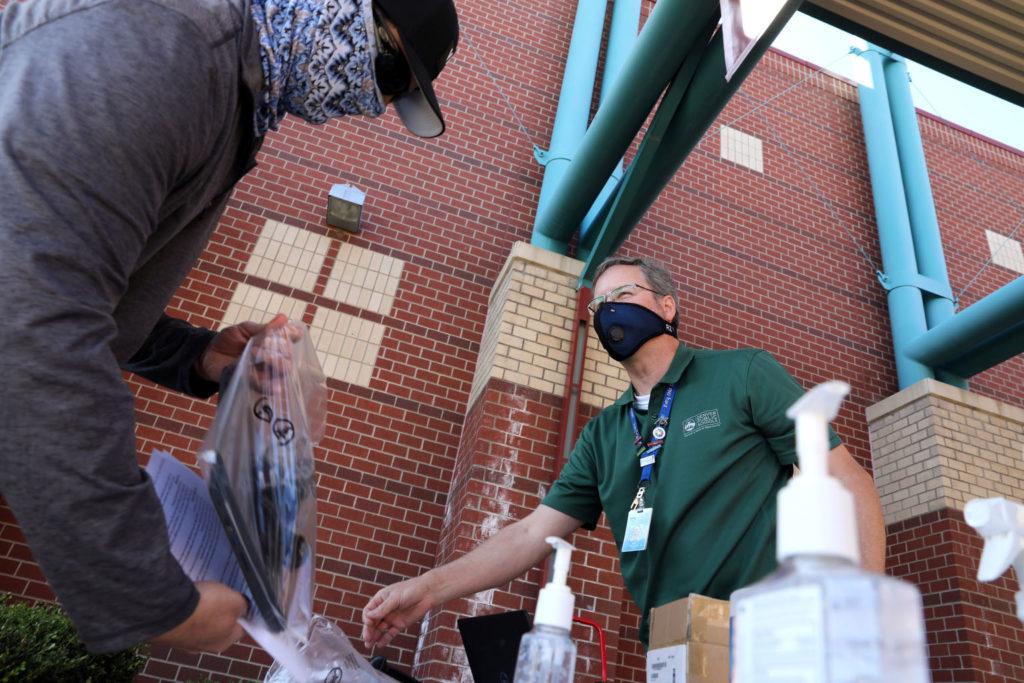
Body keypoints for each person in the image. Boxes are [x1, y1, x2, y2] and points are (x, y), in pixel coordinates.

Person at [0, 0, 458, 656]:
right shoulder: (158, 51)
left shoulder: (230, 91)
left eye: (390, 95)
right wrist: (145, 595)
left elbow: (74, 284)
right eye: (386, 69)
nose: (369, 101)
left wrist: (198, 355)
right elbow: (28, 326)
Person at [362, 256, 886, 649]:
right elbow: (528, 534)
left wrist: (863, 610)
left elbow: (848, 480)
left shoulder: (743, 373)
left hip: (774, 631)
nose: (607, 309)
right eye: (598, 303)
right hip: (672, 641)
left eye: (624, 294)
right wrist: (430, 588)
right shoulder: (602, 435)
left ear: (666, 306)